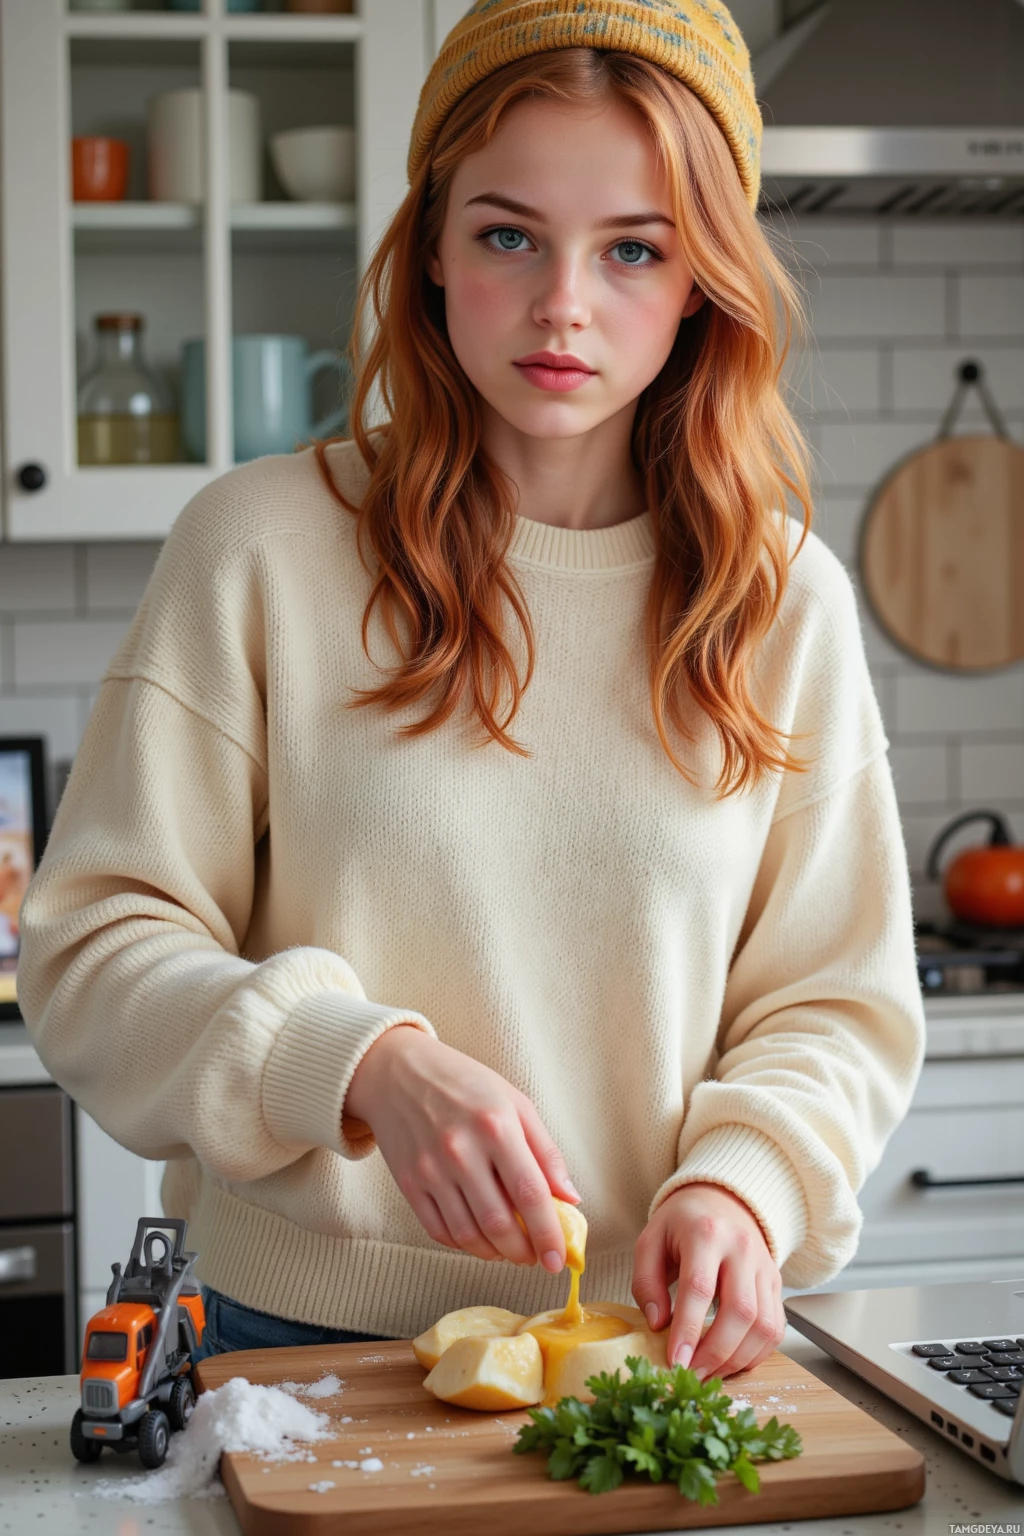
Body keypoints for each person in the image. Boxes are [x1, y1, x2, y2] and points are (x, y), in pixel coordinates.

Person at [17, 0, 925, 1385]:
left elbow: (835, 1004)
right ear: (432, 250)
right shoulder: (260, 545)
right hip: (287, 1353)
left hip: (651, 1352)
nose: (566, 302)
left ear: (702, 285)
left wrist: (746, 1181)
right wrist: (356, 1061)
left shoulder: (780, 600)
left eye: (634, 249)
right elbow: (86, 953)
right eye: (509, 234)